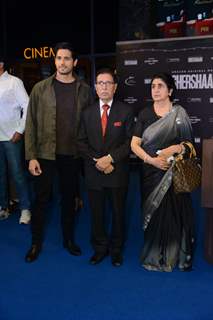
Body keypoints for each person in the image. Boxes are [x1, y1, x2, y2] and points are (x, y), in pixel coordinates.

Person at [24, 42, 92, 262]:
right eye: (59, 58)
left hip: (72, 155)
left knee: (69, 199)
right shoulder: (40, 89)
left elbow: (89, 125)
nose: (62, 63)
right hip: (45, 154)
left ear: (74, 62)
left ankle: (68, 240)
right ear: (55, 61)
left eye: (66, 59)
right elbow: (31, 124)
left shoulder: (85, 90)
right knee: (41, 200)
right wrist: (31, 156)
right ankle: (35, 243)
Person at [131, 72, 195, 272]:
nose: (156, 90)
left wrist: (173, 149)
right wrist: (151, 160)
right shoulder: (144, 114)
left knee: (175, 215)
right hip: (151, 173)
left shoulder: (179, 113)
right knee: (155, 213)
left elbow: (189, 146)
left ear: (170, 90)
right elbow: (134, 144)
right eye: (153, 86)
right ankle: (154, 255)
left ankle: (174, 256)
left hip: (175, 175)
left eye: (160, 86)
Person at [78, 68, 134, 266]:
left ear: (115, 87)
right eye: (100, 83)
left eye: (108, 83)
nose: (104, 86)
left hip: (117, 172)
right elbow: (81, 142)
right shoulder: (86, 113)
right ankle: (100, 248)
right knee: (97, 213)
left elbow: (130, 143)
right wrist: (99, 162)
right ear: (95, 87)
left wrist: (110, 159)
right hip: (94, 173)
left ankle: (117, 250)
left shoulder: (126, 111)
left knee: (118, 213)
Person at [0, 54, 31, 224]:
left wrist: (20, 130)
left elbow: (27, 105)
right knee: (0, 175)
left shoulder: (14, 82)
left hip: (11, 138)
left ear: (1, 64)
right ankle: (3, 206)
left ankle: (25, 209)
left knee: (18, 174)